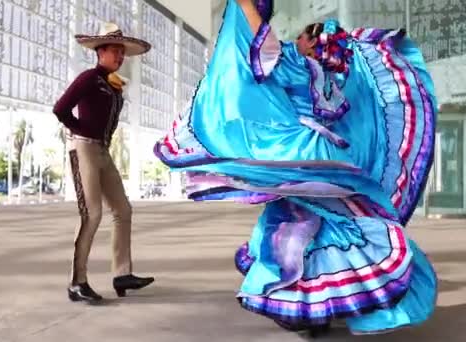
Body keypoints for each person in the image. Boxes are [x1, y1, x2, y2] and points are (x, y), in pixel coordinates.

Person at [154, 0, 437, 337]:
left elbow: (260, 53)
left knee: (303, 225)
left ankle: (308, 307)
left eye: (303, 37)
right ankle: (320, 305)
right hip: (325, 155)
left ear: (310, 43)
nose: (296, 40)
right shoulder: (325, 75)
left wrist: (245, 5)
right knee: (326, 222)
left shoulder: (292, 62)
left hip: (304, 156)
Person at [53, 22, 154, 304]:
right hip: (84, 148)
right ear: (101, 52)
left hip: (103, 151)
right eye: (115, 51)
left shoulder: (114, 85)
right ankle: (77, 282)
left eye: (122, 52)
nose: (120, 57)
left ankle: (122, 274)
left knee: (123, 209)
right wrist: (79, 131)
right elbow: (60, 109)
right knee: (92, 214)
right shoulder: (88, 78)